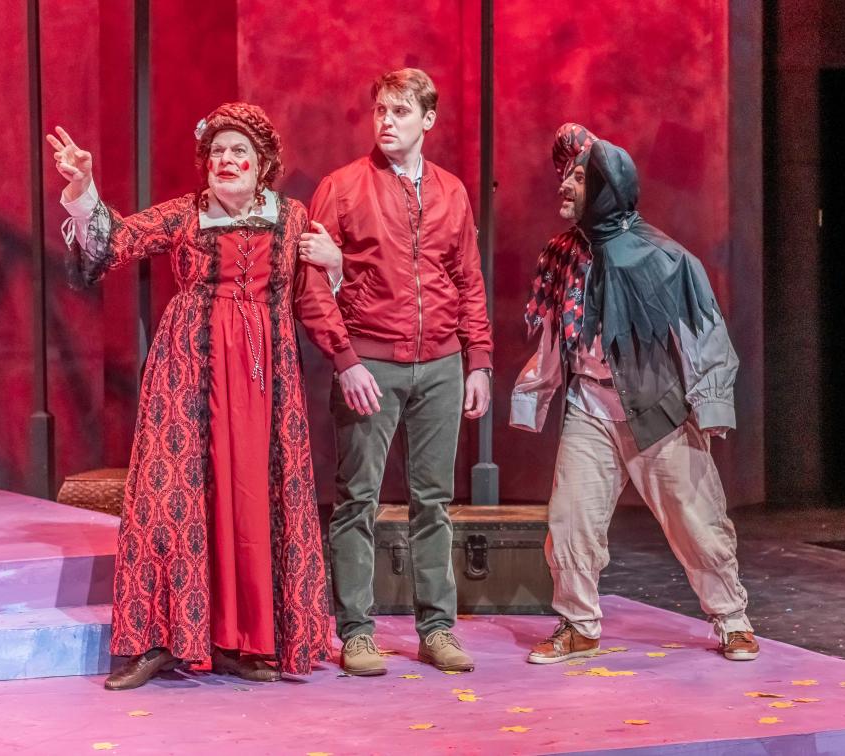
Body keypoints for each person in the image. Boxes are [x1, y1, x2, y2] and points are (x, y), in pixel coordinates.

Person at [48, 102, 359, 690]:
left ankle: (243, 640)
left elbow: (313, 296)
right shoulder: (185, 215)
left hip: (265, 377)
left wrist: (337, 276)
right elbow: (112, 243)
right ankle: (160, 639)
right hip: (186, 369)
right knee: (170, 496)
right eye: (217, 152)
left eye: (240, 151)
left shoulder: (291, 218)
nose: (227, 160)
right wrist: (83, 186)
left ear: (263, 163)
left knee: (252, 498)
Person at [511, 124, 759, 664]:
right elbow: (556, 336)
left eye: (580, 177)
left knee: (697, 521)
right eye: (566, 175)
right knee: (570, 522)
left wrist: (711, 404)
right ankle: (578, 624)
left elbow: (704, 333)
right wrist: (537, 393)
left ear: (607, 188)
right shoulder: (562, 257)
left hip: (658, 407)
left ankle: (731, 617)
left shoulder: (662, 258)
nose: (565, 186)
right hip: (590, 407)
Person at [301, 68, 493, 676]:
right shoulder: (342, 186)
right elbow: (312, 283)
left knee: (433, 502)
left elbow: (467, 279)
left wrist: (479, 360)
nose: (387, 121)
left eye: (400, 112)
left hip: (440, 363)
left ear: (427, 120)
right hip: (371, 363)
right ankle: (356, 631)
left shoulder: (452, 192)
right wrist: (345, 357)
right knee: (357, 500)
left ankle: (437, 628)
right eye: (380, 110)